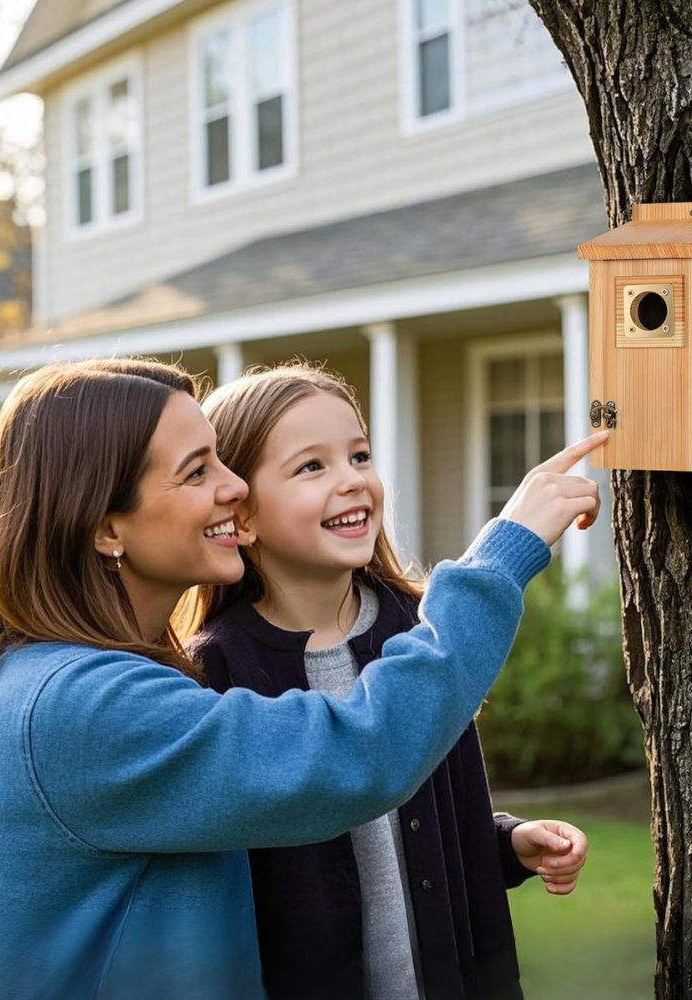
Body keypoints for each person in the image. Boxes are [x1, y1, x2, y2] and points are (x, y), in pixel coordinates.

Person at [0, 357, 606, 1000]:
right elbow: (357, 753)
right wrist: (500, 558)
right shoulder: (82, 706)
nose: (234, 488)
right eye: (197, 472)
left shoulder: (100, 680)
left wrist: (491, 845)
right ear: (107, 527)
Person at [179, 363, 590, 1000]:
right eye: (311, 467)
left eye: (359, 454)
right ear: (244, 515)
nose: (352, 481)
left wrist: (504, 843)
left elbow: (423, 815)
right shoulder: (214, 672)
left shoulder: (421, 630)